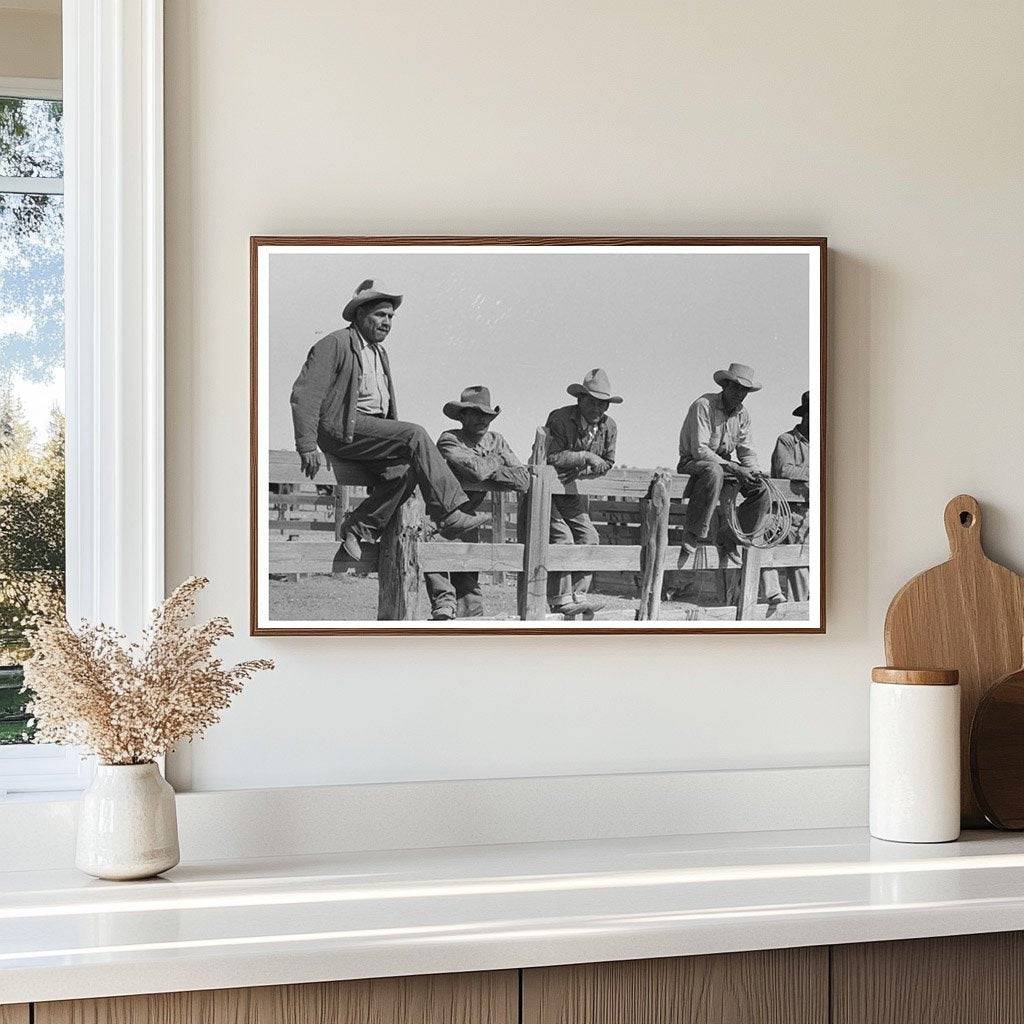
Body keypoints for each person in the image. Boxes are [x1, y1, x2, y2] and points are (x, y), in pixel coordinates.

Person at [290, 280, 490, 562]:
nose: (387, 323)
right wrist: (307, 444)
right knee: (415, 434)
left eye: (391, 317)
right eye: (380, 315)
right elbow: (305, 394)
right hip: (342, 429)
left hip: (368, 433)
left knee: (404, 472)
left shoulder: (378, 352)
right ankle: (449, 513)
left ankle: (358, 526)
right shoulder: (334, 344)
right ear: (360, 314)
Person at [425, 387, 531, 621]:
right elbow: (475, 471)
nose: (482, 419)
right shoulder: (449, 439)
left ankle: (469, 621)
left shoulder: (497, 440)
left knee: (469, 580)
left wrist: (487, 468)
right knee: (434, 555)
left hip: (469, 514)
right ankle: (444, 606)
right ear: (462, 416)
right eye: (475, 413)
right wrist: (496, 460)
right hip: (441, 514)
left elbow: (523, 479)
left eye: (487, 415)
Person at [544, 368, 621, 616]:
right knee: (562, 538)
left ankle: (578, 594)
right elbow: (551, 456)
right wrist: (585, 456)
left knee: (590, 537)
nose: (599, 409)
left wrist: (583, 473)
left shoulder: (609, 427)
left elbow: (607, 462)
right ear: (581, 400)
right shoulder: (559, 419)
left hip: (572, 490)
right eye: (594, 402)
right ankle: (559, 598)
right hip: (547, 491)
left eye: (604, 404)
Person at [677, 362, 771, 560]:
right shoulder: (704, 405)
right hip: (693, 462)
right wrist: (735, 468)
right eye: (736, 387)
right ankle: (693, 532)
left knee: (761, 490)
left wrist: (754, 470)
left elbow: (746, 450)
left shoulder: (742, 414)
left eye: (744, 390)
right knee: (713, 471)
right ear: (725, 386)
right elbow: (700, 449)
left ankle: (730, 536)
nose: (739, 394)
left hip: (723, 465)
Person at [764, 390, 811, 602]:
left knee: (801, 559)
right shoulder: (787, 441)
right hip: (782, 510)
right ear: (805, 415)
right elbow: (784, 470)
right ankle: (773, 593)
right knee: (766, 541)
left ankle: (805, 605)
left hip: (808, 511)